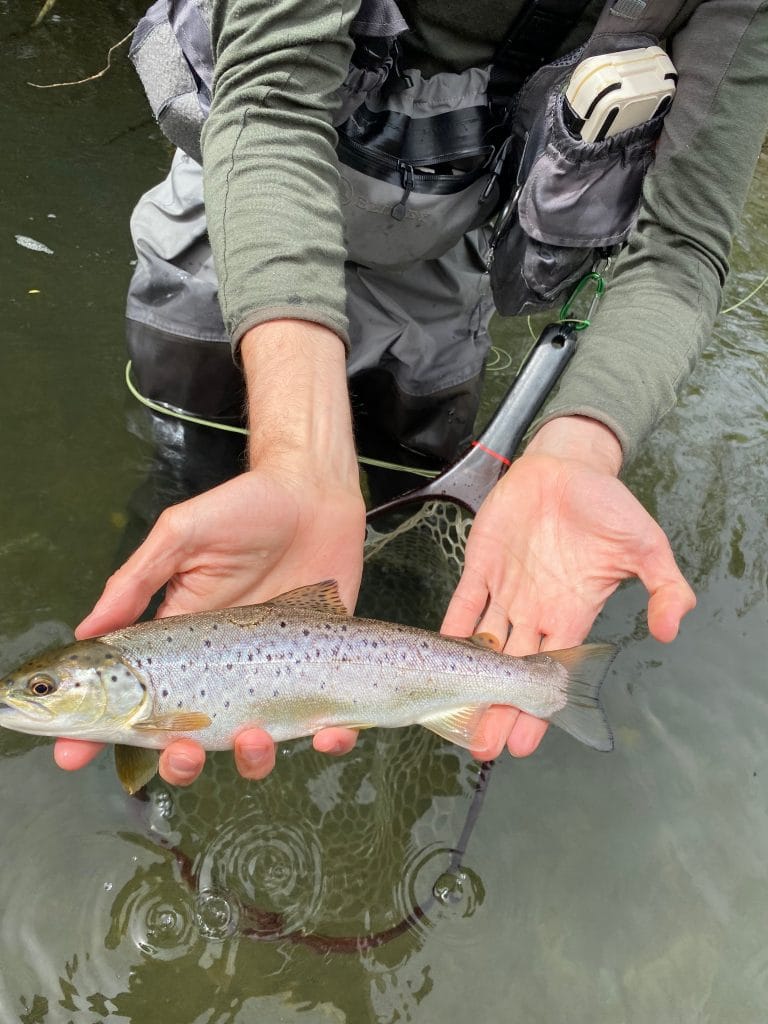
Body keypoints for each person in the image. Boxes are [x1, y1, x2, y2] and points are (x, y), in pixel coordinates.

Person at [55, 0, 767, 785]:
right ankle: (154, 760)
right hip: (245, 188)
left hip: (453, 232)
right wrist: (299, 452)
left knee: (411, 472)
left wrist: (580, 446)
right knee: (186, 468)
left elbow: (678, 245)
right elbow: (271, 100)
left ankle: (421, 676)